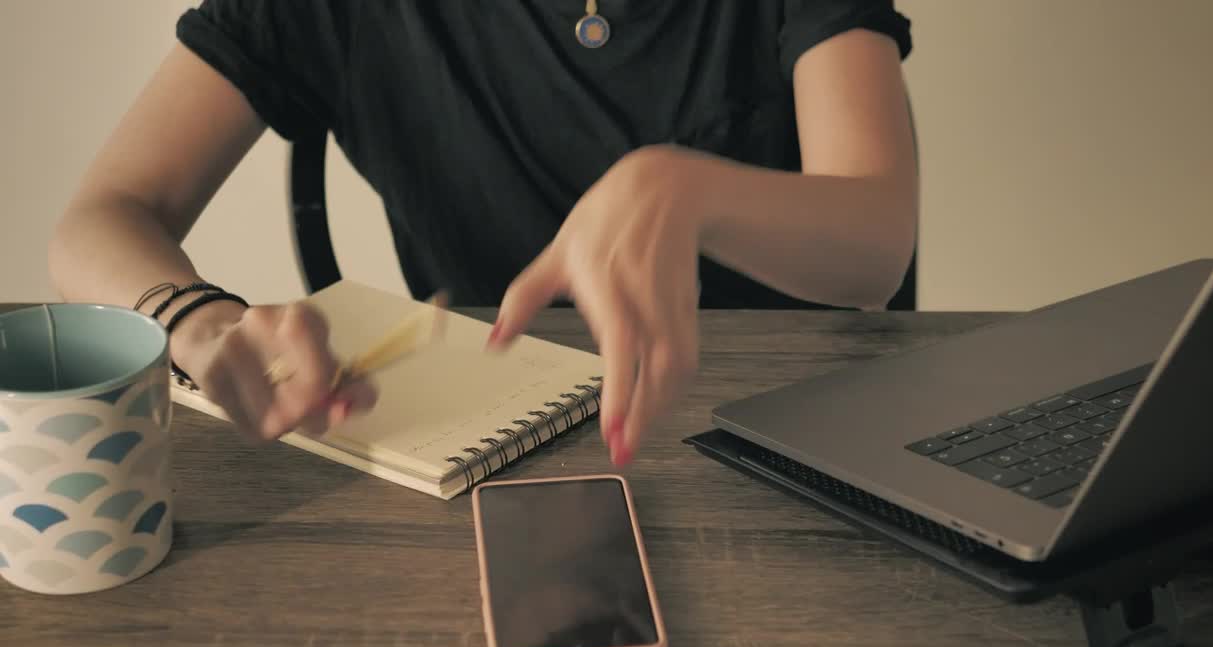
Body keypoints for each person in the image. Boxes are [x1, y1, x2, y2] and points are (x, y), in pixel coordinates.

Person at [48, 1, 919, 467]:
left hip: (803, 443)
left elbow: (876, 244)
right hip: (492, 452)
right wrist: (199, 320)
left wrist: (686, 186)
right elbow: (101, 219)